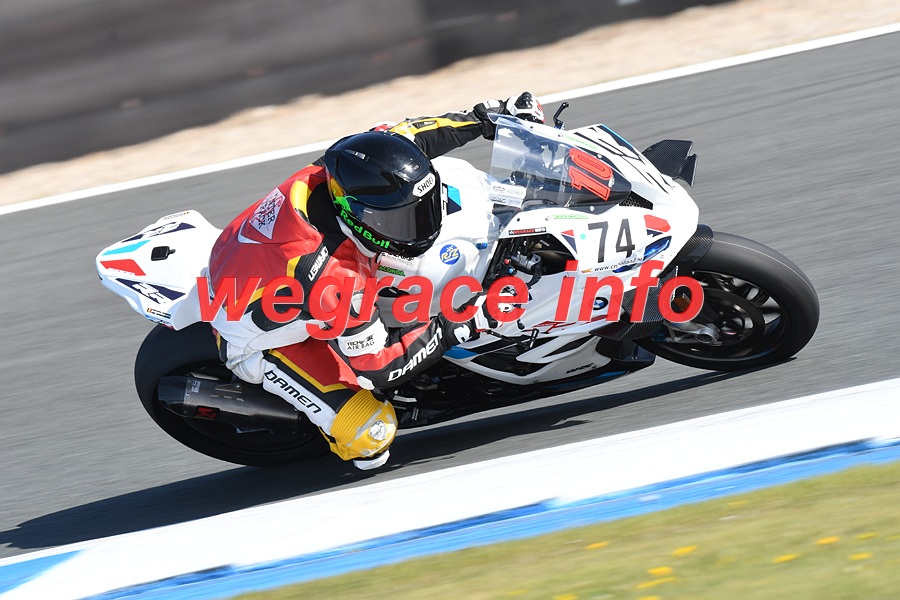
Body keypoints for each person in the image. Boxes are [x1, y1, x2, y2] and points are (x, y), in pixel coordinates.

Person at [206, 93, 545, 470]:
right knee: (372, 435)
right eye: (396, 222)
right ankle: (320, 414)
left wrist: (486, 118)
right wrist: (460, 323)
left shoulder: (349, 164)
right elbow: (378, 365)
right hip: (253, 332)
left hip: (254, 260)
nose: (419, 226)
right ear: (352, 214)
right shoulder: (334, 281)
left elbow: (413, 134)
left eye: (418, 213)